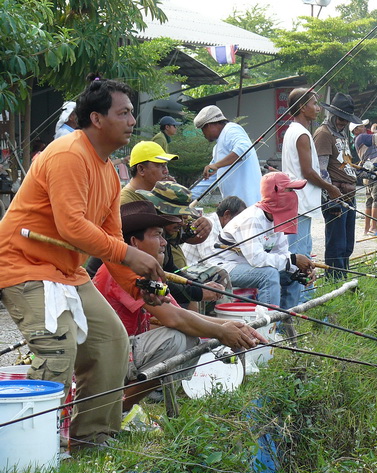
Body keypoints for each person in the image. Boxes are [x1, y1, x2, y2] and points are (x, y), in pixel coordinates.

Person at [0, 77, 166, 451]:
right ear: (96, 118)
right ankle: (33, 449)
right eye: (123, 113)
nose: (131, 122)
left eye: (132, 114)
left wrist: (141, 286)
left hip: (68, 273)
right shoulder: (68, 154)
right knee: (57, 350)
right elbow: (72, 227)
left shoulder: (109, 171)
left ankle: (92, 438)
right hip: (24, 264)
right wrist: (129, 254)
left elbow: (113, 244)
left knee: (111, 341)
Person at [94, 200, 266, 410]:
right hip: (104, 355)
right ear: (134, 242)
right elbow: (174, 319)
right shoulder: (119, 268)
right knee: (176, 338)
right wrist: (221, 332)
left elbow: (178, 312)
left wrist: (234, 326)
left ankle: (129, 401)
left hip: (124, 350)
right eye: (157, 235)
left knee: (185, 334)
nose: (164, 242)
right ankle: (117, 409)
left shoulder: (148, 272)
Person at [213, 172, 314, 309]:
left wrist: (298, 268)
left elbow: (282, 254)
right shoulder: (252, 218)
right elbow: (258, 259)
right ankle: (269, 325)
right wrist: (293, 260)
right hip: (226, 267)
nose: (294, 195)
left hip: (249, 266)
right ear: (274, 192)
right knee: (269, 274)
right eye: (289, 190)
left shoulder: (276, 219)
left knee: (293, 274)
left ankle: (284, 323)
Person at [281, 88, 341, 302]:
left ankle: (303, 302)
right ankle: (292, 308)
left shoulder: (293, 131)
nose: (317, 108)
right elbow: (307, 172)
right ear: (301, 107)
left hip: (297, 204)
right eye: (314, 103)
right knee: (299, 258)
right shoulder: (302, 134)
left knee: (302, 255)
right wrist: (330, 187)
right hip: (299, 204)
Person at [313, 92, 361, 276]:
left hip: (349, 195)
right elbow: (321, 170)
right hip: (335, 197)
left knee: (348, 243)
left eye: (346, 119)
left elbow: (345, 164)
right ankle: (334, 280)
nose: (343, 122)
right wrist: (331, 195)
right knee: (337, 243)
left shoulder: (342, 133)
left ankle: (343, 278)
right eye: (340, 118)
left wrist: (368, 172)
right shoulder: (323, 134)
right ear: (332, 115)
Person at [193, 105, 262, 206]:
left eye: (203, 129)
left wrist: (217, 165)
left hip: (249, 202)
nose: (203, 134)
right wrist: (188, 195)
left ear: (209, 125)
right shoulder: (217, 148)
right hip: (235, 206)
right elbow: (210, 178)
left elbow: (244, 149)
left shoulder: (231, 129)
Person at [350, 120, 377, 236]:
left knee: (370, 201)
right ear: (356, 130)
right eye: (362, 126)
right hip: (376, 173)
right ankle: (373, 227)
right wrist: (374, 131)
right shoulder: (362, 137)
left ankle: (367, 229)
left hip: (370, 173)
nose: (364, 127)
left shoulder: (361, 138)